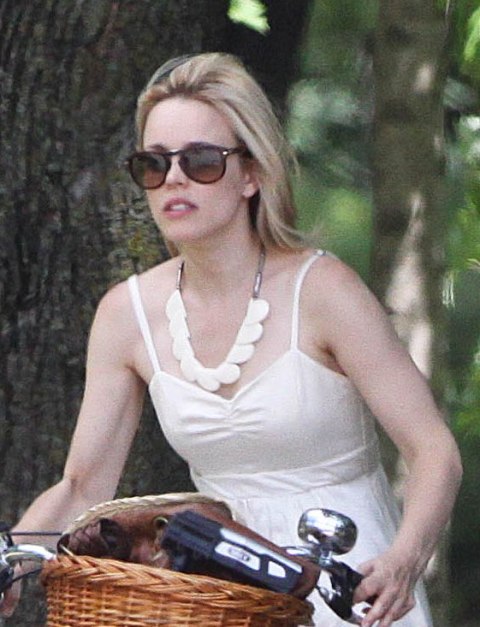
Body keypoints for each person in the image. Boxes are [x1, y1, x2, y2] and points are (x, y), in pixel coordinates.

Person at [1, 52, 462, 626]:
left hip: (354, 586)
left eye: (200, 161)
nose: (173, 179)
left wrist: (404, 561)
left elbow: (434, 450)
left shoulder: (324, 290)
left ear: (251, 174)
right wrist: (9, 559)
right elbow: (81, 486)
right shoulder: (127, 313)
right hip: (222, 595)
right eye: (153, 163)